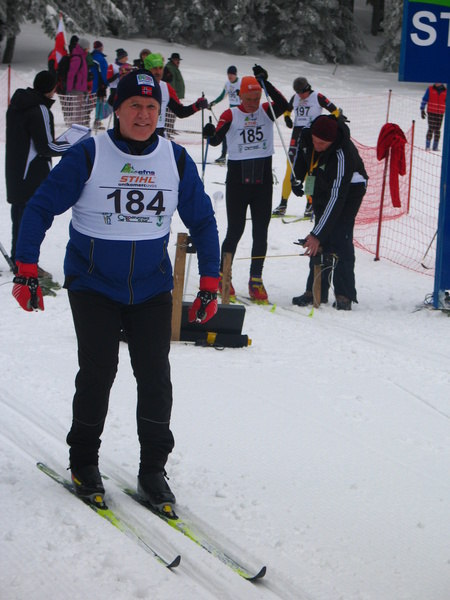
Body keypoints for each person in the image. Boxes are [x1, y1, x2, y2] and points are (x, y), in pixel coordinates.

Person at [11, 69, 220, 510]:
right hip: (93, 284)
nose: (143, 115)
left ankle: (153, 469)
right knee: (98, 371)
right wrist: (26, 267)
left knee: (155, 376)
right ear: (117, 110)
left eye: (151, 107)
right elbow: (41, 206)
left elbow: (202, 220)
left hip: (150, 287)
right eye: (134, 106)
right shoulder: (90, 154)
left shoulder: (175, 159)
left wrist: (209, 282)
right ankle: (84, 462)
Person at [202, 65, 288, 303]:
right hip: (238, 181)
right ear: (240, 96)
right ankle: (223, 275)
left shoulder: (266, 111)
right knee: (235, 230)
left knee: (261, 232)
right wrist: (209, 133)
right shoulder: (231, 115)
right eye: (248, 99)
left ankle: (256, 279)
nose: (252, 104)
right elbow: (216, 140)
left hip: (262, 181)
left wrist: (266, 83)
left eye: (256, 98)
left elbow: (283, 104)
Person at [291, 115, 368, 311]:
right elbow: (302, 156)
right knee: (321, 232)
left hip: (350, 189)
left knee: (340, 234)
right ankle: (315, 290)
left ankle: (344, 294)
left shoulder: (343, 154)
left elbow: (336, 198)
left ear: (332, 141)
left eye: (322, 144)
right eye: (315, 141)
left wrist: (317, 234)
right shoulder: (307, 136)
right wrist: (296, 177)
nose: (317, 146)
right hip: (322, 180)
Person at [5, 70, 72, 269]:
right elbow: (46, 147)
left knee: (20, 217)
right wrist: (73, 145)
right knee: (31, 219)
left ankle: (19, 259)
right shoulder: (40, 109)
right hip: (32, 173)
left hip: (16, 171)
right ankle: (25, 264)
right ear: (51, 88)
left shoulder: (18, 105)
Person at [272, 77, 345, 217]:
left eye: (301, 92)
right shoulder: (295, 97)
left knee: (309, 172)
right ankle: (283, 204)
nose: (300, 96)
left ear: (307, 88)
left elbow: (335, 111)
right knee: (290, 170)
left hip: (312, 137)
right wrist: (287, 118)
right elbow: (288, 110)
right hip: (296, 137)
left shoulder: (317, 97)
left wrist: (335, 121)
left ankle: (310, 204)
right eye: (297, 93)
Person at [144, 53, 208, 138]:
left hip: (157, 133)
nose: (158, 72)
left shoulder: (166, 88)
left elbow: (180, 112)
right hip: (138, 132)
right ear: (148, 69)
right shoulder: (136, 84)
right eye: (155, 68)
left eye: (160, 68)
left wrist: (197, 105)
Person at [209, 65, 241, 164]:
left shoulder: (241, 83)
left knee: (238, 134)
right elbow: (222, 96)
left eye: (232, 74)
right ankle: (223, 156)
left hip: (240, 111)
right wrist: (213, 103)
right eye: (228, 74)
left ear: (235, 75)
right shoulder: (228, 84)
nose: (230, 76)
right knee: (225, 132)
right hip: (231, 112)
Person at [66, 37, 91, 126]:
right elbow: (71, 74)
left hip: (81, 88)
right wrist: (69, 89)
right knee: (78, 111)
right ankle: (77, 128)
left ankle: (78, 126)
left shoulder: (82, 57)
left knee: (80, 110)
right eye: (88, 47)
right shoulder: (77, 58)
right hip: (76, 88)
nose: (89, 49)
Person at [420, 83, 447, 151]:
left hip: (440, 112)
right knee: (431, 128)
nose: (437, 83)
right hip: (431, 112)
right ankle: (427, 146)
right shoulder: (430, 89)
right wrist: (422, 109)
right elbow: (425, 99)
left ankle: (435, 146)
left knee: (438, 130)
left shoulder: (446, 91)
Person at [90, 40, 109, 130]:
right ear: (100, 48)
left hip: (93, 83)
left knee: (95, 102)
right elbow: (103, 72)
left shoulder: (91, 56)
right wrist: (105, 82)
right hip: (99, 84)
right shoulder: (100, 58)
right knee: (100, 102)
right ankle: (97, 121)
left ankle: (96, 121)